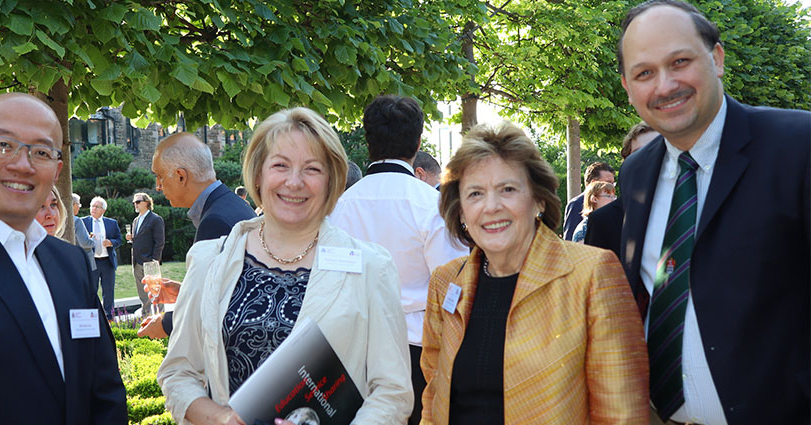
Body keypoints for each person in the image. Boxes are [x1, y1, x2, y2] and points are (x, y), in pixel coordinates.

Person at [617, 1, 811, 423]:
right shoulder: (634, 174)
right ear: (627, 86)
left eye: (680, 61)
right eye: (644, 72)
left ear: (717, 59)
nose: (665, 85)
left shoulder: (799, 147)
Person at [158, 107, 412, 425]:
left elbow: (392, 393)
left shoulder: (372, 268)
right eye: (280, 165)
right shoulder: (209, 260)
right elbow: (179, 373)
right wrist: (222, 419)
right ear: (259, 174)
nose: (294, 182)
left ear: (332, 179)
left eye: (312, 169)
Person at [421, 121, 648, 424]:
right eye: (475, 194)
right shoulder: (446, 282)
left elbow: (622, 415)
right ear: (460, 210)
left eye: (508, 189)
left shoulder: (592, 275)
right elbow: (434, 398)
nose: (491, 206)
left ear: (538, 199)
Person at [0, 92, 127, 423]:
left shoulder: (71, 263)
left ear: (57, 169)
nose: (23, 165)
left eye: (41, 152)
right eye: (4, 145)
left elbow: (104, 391)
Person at [329, 95, 468, 425]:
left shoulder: (341, 206)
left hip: (356, 344)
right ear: (418, 142)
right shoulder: (430, 204)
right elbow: (454, 282)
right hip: (416, 345)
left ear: (368, 141)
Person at [139, 132, 257, 337]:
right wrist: (185, 291)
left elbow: (217, 306)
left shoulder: (215, 221)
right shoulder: (230, 204)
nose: (157, 186)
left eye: (159, 176)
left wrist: (165, 324)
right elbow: (227, 287)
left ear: (181, 176)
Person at [584, 122, 659, 257]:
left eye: (658, 150)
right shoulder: (602, 221)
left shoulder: (687, 208)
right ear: (627, 161)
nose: (650, 159)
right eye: (640, 153)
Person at [126, 192, 165, 316]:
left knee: (156, 291)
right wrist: (131, 238)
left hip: (150, 262)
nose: (135, 204)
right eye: (134, 202)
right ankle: (146, 316)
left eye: (138, 202)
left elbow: (160, 241)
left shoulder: (156, 219)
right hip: (136, 261)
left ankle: (161, 317)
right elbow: (139, 240)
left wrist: (155, 259)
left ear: (147, 203)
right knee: (143, 293)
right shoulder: (136, 220)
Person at [82, 196, 121, 320]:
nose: (93, 208)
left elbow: (119, 239)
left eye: (97, 207)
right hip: (91, 261)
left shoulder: (112, 223)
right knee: (91, 290)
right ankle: (92, 316)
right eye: (92, 206)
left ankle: (109, 317)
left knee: (108, 292)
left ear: (103, 210)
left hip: (107, 262)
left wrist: (111, 242)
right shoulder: (83, 222)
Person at [562, 161, 614, 241]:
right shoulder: (576, 203)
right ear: (593, 183)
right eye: (607, 182)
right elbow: (569, 242)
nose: (611, 186)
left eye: (613, 183)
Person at [72, 193, 97, 270]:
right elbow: (85, 243)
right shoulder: (77, 221)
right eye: (78, 204)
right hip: (83, 263)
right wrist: (93, 239)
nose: (79, 207)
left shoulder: (59, 219)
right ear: (73, 204)